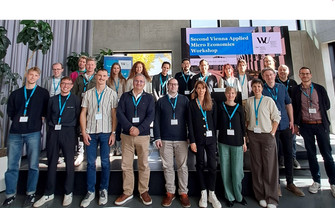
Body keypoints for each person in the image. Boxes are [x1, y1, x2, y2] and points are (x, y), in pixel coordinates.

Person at [2, 67, 49, 207]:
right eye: (31, 74)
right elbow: (10, 111)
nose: (33, 77)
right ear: (26, 75)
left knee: (33, 165)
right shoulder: (16, 93)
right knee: (12, 165)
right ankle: (10, 194)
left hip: (33, 132)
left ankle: (31, 193)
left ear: (38, 77)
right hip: (15, 132)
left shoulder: (43, 93)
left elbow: (45, 111)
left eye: (36, 75)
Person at [33, 77, 81, 207]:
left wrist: (75, 135)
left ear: (72, 86)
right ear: (60, 85)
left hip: (69, 133)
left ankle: (68, 192)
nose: (65, 86)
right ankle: (48, 193)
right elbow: (48, 116)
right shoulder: (53, 100)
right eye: (63, 84)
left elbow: (78, 117)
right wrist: (51, 130)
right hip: (54, 132)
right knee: (52, 162)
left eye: (68, 84)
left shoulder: (76, 100)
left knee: (69, 163)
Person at [291, 66, 335, 197]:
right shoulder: (295, 90)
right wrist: (296, 124)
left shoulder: (319, 88)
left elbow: (327, 105)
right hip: (306, 126)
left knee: (327, 154)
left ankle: (333, 182)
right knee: (311, 154)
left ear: (310, 75)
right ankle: (316, 181)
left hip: (320, 124)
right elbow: (295, 107)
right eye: (302, 74)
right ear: (299, 76)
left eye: (306, 74)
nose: (305, 76)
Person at [262, 68, 305, 197]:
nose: (269, 77)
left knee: (288, 154)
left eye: (271, 75)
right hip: (270, 127)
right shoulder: (262, 89)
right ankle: (276, 185)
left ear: (274, 75)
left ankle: (290, 182)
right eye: (267, 75)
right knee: (273, 156)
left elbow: (288, 104)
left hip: (285, 124)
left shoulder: (281, 88)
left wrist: (292, 121)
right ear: (264, 77)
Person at [79, 69, 118, 207]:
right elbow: (83, 113)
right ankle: (90, 191)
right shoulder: (88, 93)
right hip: (90, 132)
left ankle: (103, 189)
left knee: (106, 162)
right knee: (90, 163)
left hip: (106, 132)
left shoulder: (112, 94)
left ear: (107, 78)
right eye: (99, 75)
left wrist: (113, 132)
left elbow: (114, 115)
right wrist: (83, 132)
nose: (101, 78)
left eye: (104, 76)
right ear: (95, 77)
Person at [115, 73, 155, 206]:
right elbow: (120, 113)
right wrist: (130, 127)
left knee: (144, 165)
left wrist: (139, 129)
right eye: (136, 81)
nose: (139, 83)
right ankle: (127, 191)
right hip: (127, 135)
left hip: (143, 136)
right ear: (133, 82)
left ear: (145, 84)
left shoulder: (149, 98)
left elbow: (150, 116)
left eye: (141, 82)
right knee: (126, 165)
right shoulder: (125, 96)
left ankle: (143, 191)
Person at [154, 78, 191, 208]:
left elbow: (189, 120)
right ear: (167, 86)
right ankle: (170, 192)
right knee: (167, 167)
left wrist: (190, 137)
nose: (173, 86)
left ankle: (183, 193)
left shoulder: (184, 100)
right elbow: (156, 120)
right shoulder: (161, 101)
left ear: (178, 86)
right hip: (165, 139)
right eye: (171, 84)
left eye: (175, 84)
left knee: (182, 167)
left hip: (181, 139)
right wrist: (157, 137)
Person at [245, 79, 281, 208]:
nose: (256, 89)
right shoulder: (249, 101)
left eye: (259, 86)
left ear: (262, 88)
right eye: (254, 86)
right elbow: (248, 119)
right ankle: (260, 195)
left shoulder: (268, 100)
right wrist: (247, 135)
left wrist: (272, 132)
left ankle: (271, 198)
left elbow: (276, 117)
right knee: (257, 166)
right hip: (253, 135)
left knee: (270, 166)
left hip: (267, 135)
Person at [188, 80, 221, 208]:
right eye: (199, 88)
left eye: (203, 88)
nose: (201, 90)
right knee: (200, 164)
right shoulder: (191, 104)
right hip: (198, 140)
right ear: (195, 90)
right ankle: (203, 192)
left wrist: (215, 139)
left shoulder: (212, 103)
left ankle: (212, 193)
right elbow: (190, 124)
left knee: (213, 165)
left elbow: (215, 122)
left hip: (211, 140)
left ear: (206, 90)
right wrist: (192, 141)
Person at [217, 87, 247, 207]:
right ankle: (229, 196)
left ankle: (238, 195)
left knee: (237, 171)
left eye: (233, 93)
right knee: (225, 170)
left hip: (237, 142)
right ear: (225, 94)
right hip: (223, 142)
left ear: (235, 95)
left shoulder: (239, 108)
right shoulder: (220, 107)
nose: (230, 95)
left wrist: (244, 142)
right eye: (228, 93)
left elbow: (242, 127)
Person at [71, 57, 97, 166]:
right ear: (85, 65)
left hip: (94, 108)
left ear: (95, 66)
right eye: (88, 64)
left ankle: (92, 154)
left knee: (93, 130)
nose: (90, 66)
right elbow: (74, 93)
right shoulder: (79, 78)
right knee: (80, 130)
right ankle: (80, 153)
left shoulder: (97, 77)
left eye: (92, 64)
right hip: (81, 107)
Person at [276, 64, 301, 169]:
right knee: (280, 138)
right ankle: (281, 157)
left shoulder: (293, 83)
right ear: (278, 72)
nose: (282, 72)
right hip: (279, 113)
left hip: (291, 112)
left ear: (288, 71)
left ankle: (293, 158)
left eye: (284, 70)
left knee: (292, 138)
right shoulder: (275, 84)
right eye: (280, 70)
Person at [107, 62, 126, 156]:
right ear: (112, 69)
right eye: (114, 68)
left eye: (117, 68)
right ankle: (111, 147)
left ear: (120, 69)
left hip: (120, 105)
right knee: (111, 125)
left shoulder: (123, 80)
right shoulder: (108, 80)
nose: (116, 70)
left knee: (119, 126)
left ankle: (118, 147)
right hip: (110, 105)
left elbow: (125, 93)